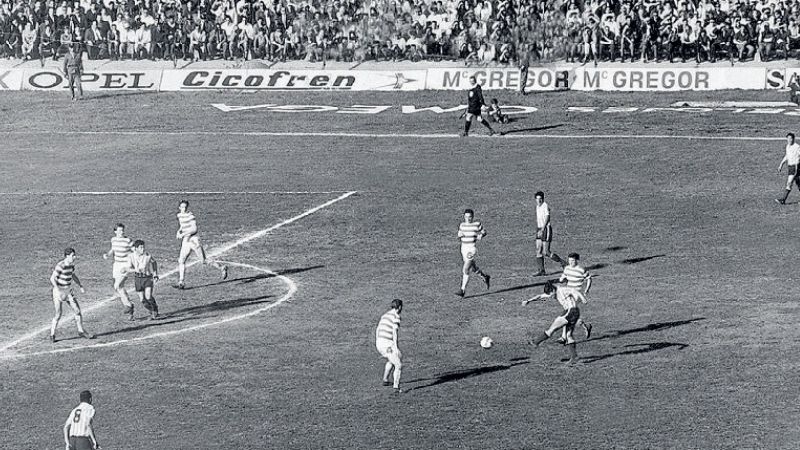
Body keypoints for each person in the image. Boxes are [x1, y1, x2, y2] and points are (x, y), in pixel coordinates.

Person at [522, 281, 587, 364]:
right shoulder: (553, 292)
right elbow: (540, 296)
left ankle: (536, 342)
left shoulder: (562, 290)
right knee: (568, 335)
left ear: (553, 290)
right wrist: (528, 300)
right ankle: (574, 357)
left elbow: (574, 291)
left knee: (552, 329)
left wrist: (583, 298)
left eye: (550, 294)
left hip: (571, 312)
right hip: (574, 313)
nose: (550, 296)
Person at [175, 200, 228, 289]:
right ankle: (181, 281)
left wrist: (183, 234)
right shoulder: (179, 215)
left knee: (203, 261)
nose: (184, 209)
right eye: (182, 207)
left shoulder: (190, 216)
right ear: (179, 208)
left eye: (185, 207)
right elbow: (182, 225)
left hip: (193, 240)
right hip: (186, 241)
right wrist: (179, 231)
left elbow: (194, 229)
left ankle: (221, 267)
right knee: (181, 260)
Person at [50, 248, 94, 342]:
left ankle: (81, 331)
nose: (75, 257)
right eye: (73, 255)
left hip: (68, 291)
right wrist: (57, 288)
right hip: (59, 292)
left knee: (77, 310)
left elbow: (73, 276)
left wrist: (80, 285)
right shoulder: (60, 265)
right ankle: (52, 334)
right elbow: (52, 279)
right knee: (58, 314)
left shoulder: (71, 266)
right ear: (67, 256)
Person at [102, 223, 135, 320]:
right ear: (115, 231)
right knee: (119, 288)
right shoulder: (113, 239)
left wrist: (132, 262)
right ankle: (129, 307)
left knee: (117, 285)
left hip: (125, 265)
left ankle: (128, 305)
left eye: (123, 230)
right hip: (116, 264)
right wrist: (107, 254)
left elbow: (134, 251)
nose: (122, 232)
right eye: (119, 230)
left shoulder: (127, 240)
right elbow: (112, 249)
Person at [457, 208, 490, 297]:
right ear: (464, 217)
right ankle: (484, 276)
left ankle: (462, 290)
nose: (468, 218)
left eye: (470, 217)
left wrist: (481, 235)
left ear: (473, 217)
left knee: (465, 269)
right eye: (466, 217)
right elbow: (459, 234)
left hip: (471, 249)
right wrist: (459, 234)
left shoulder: (477, 224)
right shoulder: (462, 225)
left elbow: (484, 232)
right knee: (473, 268)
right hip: (463, 248)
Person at [559, 253, 593, 339]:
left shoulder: (581, 270)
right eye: (569, 260)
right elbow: (563, 276)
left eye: (572, 260)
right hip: (568, 293)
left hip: (577, 294)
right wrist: (561, 279)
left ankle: (564, 336)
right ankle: (585, 325)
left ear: (577, 260)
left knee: (566, 313)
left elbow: (589, 278)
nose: (570, 262)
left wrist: (586, 290)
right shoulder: (567, 268)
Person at [375, 299, 403, 393]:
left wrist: (378, 341)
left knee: (394, 358)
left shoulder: (384, 315)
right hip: (387, 344)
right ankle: (396, 387)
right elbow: (394, 332)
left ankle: (385, 380)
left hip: (379, 342)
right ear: (399, 307)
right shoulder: (396, 316)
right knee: (398, 364)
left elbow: (378, 329)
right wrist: (395, 346)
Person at [127, 240, 160, 320]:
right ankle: (151, 310)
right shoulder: (131, 256)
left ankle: (155, 309)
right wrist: (135, 270)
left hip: (147, 278)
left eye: (143, 247)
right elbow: (128, 268)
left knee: (148, 296)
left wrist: (155, 274)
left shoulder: (147, 255)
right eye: (141, 247)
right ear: (136, 249)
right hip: (138, 279)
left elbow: (154, 262)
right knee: (142, 300)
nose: (143, 249)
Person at [534, 191, 564, 276]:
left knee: (546, 252)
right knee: (538, 250)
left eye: (540, 199)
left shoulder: (545, 206)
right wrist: (539, 229)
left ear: (543, 199)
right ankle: (541, 270)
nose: (538, 201)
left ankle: (563, 263)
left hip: (546, 228)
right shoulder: (537, 207)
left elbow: (547, 217)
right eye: (537, 199)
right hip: (539, 229)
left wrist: (543, 228)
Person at [776, 132, 800, 204]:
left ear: (793, 139)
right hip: (790, 167)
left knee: (789, 183)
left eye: (790, 138)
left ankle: (783, 200)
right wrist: (781, 165)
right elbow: (787, 156)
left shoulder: (797, 147)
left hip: (796, 167)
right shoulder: (787, 146)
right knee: (798, 183)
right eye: (788, 138)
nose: (789, 140)